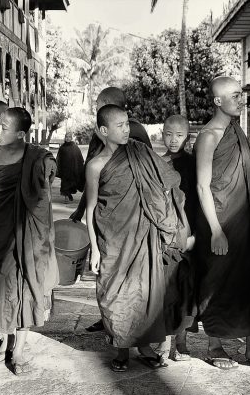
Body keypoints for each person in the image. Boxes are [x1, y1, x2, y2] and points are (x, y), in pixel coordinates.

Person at [85, 104, 189, 372]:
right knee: (114, 294)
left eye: (127, 124)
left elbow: (166, 182)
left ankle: (143, 345)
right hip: (113, 240)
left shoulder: (141, 152)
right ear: (103, 130)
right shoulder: (96, 165)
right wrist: (95, 249)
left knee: (144, 295)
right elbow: (91, 207)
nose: (125, 129)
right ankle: (121, 348)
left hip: (143, 235)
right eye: (118, 125)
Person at [193, 76, 250, 369]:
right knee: (218, 282)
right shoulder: (210, 135)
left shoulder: (235, 129)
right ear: (218, 101)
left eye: (241, 94)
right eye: (234, 95)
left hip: (245, 222)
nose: (241, 100)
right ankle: (215, 345)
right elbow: (203, 187)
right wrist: (216, 230)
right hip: (220, 221)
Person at [0, 107, 58, 375]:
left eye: (4, 127)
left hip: (25, 233)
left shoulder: (36, 156)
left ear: (21, 133)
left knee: (23, 285)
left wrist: (48, 164)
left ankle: (18, 349)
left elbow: (47, 177)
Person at [71, 87, 153, 334]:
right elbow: (96, 178)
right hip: (110, 223)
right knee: (110, 281)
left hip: (134, 220)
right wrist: (81, 208)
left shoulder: (133, 134)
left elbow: (147, 173)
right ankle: (112, 323)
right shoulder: (104, 133)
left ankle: (131, 331)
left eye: (98, 103)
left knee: (135, 283)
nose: (125, 129)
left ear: (107, 102)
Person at [156, 114, 199, 361]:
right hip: (164, 236)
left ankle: (181, 341)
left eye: (179, 135)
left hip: (189, 233)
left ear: (187, 137)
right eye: (168, 134)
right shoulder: (157, 163)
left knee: (186, 288)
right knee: (166, 289)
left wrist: (195, 234)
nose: (173, 140)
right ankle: (164, 343)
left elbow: (199, 201)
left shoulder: (193, 165)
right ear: (162, 134)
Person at [56, 132, 84, 203]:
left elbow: (79, 158)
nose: (67, 138)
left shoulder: (75, 147)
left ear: (71, 138)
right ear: (64, 138)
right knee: (65, 184)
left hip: (73, 169)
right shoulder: (62, 147)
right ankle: (66, 197)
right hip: (65, 169)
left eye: (69, 137)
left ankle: (69, 194)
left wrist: (78, 167)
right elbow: (59, 158)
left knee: (72, 183)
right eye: (66, 137)